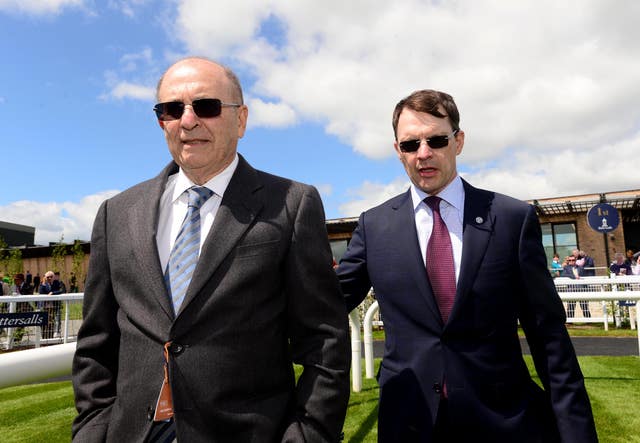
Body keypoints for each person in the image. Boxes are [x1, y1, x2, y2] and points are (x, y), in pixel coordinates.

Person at [72, 57, 350, 442]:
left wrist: (307, 435)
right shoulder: (116, 213)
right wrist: (92, 430)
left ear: (241, 120)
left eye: (206, 106)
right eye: (171, 109)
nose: (188, 121)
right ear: (162, 122)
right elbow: (96, 344)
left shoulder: (291, 204)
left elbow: (325, 342)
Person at [337, 89, 597, 442]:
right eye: (411, 144)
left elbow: (549, 340)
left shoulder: (510, 219)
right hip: (409, 425)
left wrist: (577, 434)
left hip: (504, 423)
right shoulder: (374, 226)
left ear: (458, 141)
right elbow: (325, 304)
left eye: (437, 140)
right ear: (398, 151)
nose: (423, 153)